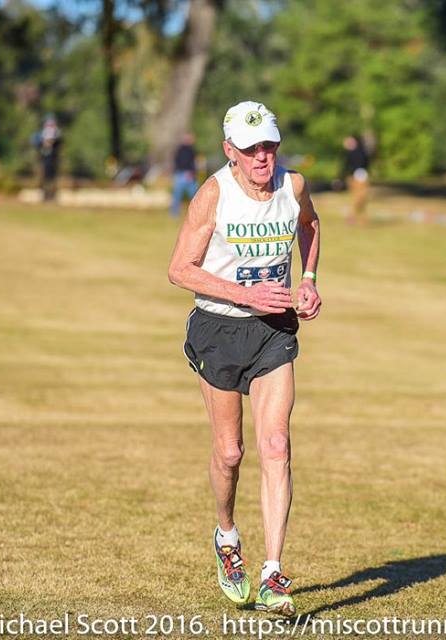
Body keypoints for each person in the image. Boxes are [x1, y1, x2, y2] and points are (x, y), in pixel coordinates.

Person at [167, 101, 321, 617]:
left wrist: (308, 280)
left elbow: (312, 227)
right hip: (217, 329)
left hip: (273, 331)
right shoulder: (213, 194)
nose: (263, 156)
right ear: (229, 151)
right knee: (230, 452)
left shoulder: (293, 187)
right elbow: (179, 270)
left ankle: (273, 573)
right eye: (252, 148)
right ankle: (227, 536)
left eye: (270, 145)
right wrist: (244, 294)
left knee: (276, 444)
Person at [32, 115, 62, 202]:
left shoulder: (57, 134)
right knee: (43, 178)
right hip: (44, 160)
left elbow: (59, 142)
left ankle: (53, 196)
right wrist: (43, 142)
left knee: (53, 179)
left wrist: (53, 141)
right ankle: (44, 196)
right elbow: (35, 142)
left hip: (53, 160)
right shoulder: (40, 135)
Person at [170, 133, 199, 217]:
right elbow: (184, 162)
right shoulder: (184, 150)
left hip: (186, 174)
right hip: (184, 174)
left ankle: (196, 214)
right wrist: (189, 172)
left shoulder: (189, 150)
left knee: (194, 196)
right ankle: (174, 214)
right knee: (179, 195)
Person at [342, 135, 369, 225]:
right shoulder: (352, 153)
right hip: (355, 176)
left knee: (360, 198)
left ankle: (354, 216)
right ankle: (355, 216)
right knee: (358, 198)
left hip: (360, 175)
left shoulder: (359, 152)